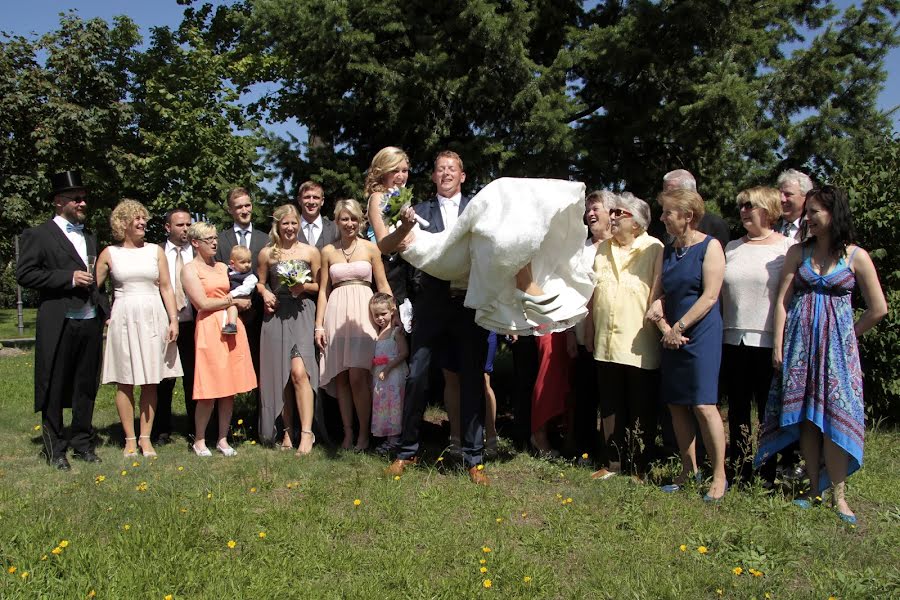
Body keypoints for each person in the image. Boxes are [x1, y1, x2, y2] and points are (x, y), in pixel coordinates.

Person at [756, 186, 887, 524]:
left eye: (815, 211)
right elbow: (783, 303)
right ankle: (814, 489)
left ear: (834, 213)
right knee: (808, 421)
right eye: (808, 212)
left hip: (838, 354)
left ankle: (839, 497)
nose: (808, 218)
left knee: (834, 420)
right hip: (800, 347)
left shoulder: (856, 256)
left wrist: (848, 337)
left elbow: (878, 309)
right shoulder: (798, 253)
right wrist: (778, 346)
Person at [377, 151, 492, 484]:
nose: (445, 174)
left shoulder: (479, 209)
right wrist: (402, 301)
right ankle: (406, 451)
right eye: (440, 169)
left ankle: (474, 458)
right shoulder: (419, 210)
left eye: (451, 169)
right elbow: (398, 255)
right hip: (430, 304)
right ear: (433, 177)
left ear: (463, 175)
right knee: (417, 376)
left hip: (470, 305)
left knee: (472, 379)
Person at [17, 171, 108, 470]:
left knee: (85, 384)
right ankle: (54, 448)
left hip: (90, 320)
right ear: (59, 202)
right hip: (59, 322)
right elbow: (25, 274)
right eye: (76, 198)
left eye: (84, 198)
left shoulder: (89, 236)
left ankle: (82, 442)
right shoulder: (39, 235)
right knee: (54, 385)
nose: (83, 203)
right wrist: (67, 278)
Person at [648, 188, 728, 501]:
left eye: (668, 212)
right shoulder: (668, 250)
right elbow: (658, 294)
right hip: (672, 336)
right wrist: (665, 326)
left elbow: (710, 296)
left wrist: (678, 327)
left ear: (687, 216)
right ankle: (688, 469)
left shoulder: (711, 246)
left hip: (701, 333)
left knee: (704, 404)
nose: (663, 218)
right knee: (677, 403)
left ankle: (719, 475)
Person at [585, 193, 664, 480]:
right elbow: (595, 294)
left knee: (641, 406)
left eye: (621, 213)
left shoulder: (654, 248)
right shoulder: (603, 249)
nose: (614, 216)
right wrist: (590, 328)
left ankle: (640, 465)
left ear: (638, 222)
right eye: (613, 212)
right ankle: (612, 463)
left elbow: (658, 294)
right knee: (610, 404)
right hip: (606, 339)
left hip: (639, 340)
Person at [96, 199, 183, 458]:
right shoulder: (109, 253)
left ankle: (146, 439)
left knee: (150, 381)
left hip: (153, 315)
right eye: (136, 218)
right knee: (125, 381)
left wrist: (173, 319)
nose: (143, 222)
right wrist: (105, 315)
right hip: (123, 316)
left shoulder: (155, 251)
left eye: (144, 218)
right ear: (123, 223)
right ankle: (130, 439)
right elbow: (94, 289)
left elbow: (166, 287)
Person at [721, 187, 793, 485]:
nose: (743, 210)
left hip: (767, 340)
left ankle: (767, 469)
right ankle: (739, 468)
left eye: (749, 205)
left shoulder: (788, 247)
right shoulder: (732, 247)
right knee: (737, 407)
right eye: (741, 205)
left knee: (767, 408)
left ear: (768, 209)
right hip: (732, 338)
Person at [316, 199, 392, 451]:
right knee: (341, 378)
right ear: (336, 221)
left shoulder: (371, 249)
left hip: (363, 314)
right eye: (344, 219)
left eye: (354, 219)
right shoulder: (328, 251)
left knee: (358, 376)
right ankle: (347, 433)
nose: (349, 224)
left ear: (361, 221)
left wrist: (394, 316)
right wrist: (319, 325)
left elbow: (381, 284)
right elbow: (323, 291)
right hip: (336, 315)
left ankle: (364, 432)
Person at [182, 222, 257, 456]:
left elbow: (243, 284)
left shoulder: (223, 266)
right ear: (195, 243)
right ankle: (200, 439)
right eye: (208, 239)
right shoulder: (189, 269)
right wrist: (233, 302)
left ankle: (223, 439)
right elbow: (202, 303)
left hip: (231, 326)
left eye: (215, 238)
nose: (215, 242)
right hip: (209, 327)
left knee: (229, 387)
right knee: (209, 387)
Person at [256, 204, 321, 454]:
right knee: (282, 376)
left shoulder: (310, 252)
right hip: (276, 316)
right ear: (278, 225)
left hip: (303, 313)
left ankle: (307, 433)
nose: (290, 228)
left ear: (299, 225)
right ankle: (286, 431)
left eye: (294, 223)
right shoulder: (266, 254)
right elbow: (260, 283)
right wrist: (265, 293)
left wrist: (303, 287)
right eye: (286, 223)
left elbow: (320, 286)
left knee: (299, 373)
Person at [569, 190, 615, 460]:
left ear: (611, 213)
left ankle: (611, 449)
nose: (591, 214)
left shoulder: (620, 248)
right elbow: (569, 291)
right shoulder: (581, 249)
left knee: (611, 393)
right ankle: (584, 448)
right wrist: (569, 335)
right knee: (585, 392)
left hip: (613, 334)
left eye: (596, 208)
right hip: (582, 331)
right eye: (588, 210)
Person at [215, 187, 268, 413]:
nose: (244, 210)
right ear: (230, 210)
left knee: (259, 367)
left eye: (247, 205)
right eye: (239, 207)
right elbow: (218, 277)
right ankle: (225, 423)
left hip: (260, 314)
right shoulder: (221, 240)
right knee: (227, 367)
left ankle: (260, 422)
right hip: (230, 313)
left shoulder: (265, 239)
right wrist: (235, 302)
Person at [154, 207, 196, 446]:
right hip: (165, 323)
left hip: (193, 324)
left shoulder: (198, 252)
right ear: (168, 227)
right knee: (164, 380)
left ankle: (195, 430)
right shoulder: (157, 252)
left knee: (193, 378)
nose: (185, 229)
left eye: (188, 224)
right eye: (180, 225)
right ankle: (161, 430)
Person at [365, 146, 413, 303]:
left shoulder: (401, 199)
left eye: (404, 171)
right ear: (383, 173)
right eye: (395, 171)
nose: (400, 176)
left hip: (406, 271)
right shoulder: (378, 198)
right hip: (388, 272)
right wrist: (403, 234)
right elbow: (382, 244)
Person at [655, 169, 731, 249]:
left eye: (672, 193)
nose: (666, 197)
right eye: (664, 192)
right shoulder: (660, 224)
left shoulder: (714, 226)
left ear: (690, 194)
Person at [370, 293, 409, 448]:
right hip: (380, 376)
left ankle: (395, 438)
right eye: (376, 315)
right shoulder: (377, 334)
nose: (380, 318)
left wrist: (387, 368)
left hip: (393, 375)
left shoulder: (396, 332)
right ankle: (387, 436)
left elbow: (404, 353)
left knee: (395, 404)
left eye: (383, 314)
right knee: (383, 404)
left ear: (392, 311)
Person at [223, 245, 258, 334]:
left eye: (249, 262)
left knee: (232, 306)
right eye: (243, 262)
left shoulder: (250, 276)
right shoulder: (228, 270)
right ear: (232, 263)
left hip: (243, 304)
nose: (247, 265)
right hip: (228, 301)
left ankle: (232, 325)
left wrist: (232, 294)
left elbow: (246, 288)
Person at [296, 180, 340, 249]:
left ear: (322, 201)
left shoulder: (335, 229)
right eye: (307, 197)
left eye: (316, 197)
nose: (311, 202)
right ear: (299, 200)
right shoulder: (288, 229)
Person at [775, 168, 814, 242]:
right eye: (780, 194)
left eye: (788, 194)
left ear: (805, 197)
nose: (781, 199)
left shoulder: (815, 229)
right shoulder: (768, 226)